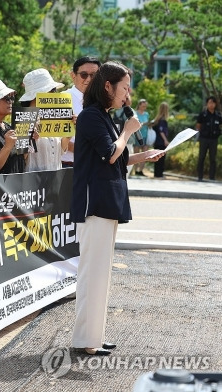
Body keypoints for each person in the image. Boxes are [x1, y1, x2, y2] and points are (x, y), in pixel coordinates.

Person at [71, 61, 164, 356]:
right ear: (108, 86)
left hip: (106, 201)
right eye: (124, 87)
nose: (128, 93)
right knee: (92, 273)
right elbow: (111, 153)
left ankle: (92, 336)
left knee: (100, 274)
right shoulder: (91, 116)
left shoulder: (103, 116)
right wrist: (127, 130)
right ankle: (87, 340)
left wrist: (144, 155)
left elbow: (119, 157)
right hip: (94, 203)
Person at [19, 68, 70, 172]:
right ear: (39, 94)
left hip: (55, 182)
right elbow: (19, 159)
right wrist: (30, 138)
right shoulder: (24, 118)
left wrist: (69, 132)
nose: (55, 94)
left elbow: (60, 151)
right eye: (52, 90)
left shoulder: (54, 115)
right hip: (34, 184)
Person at [61, 56, 102, 168]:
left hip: (94, 166)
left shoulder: (101, 102)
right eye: (84, 75)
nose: (89, 79)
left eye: (93, 75)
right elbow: (54, 139)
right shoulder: (62, 99)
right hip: (67, 166)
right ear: (73, 75)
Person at [196, 96, 221, 181]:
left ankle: (212, 177)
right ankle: (200, 176)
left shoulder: (218, 115)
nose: (211, 105)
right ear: (207, 104)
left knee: (213, 158)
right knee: (201, 157)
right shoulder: (203, 114)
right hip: (204, 138)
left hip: (213, 139)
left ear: (215, 104)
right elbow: (198, 125)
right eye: (210, 103)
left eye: (213, 103)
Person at [112, 95, 135, 177]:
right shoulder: (130, 111)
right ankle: (125, 177)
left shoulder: (117, 111)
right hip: (128, 138)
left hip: (119, 138)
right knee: (128, 159)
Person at [151, 102, 170, 178]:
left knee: (157, 158)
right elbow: (161, 131)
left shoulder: (156, 120)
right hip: (161, 142)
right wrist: (165, 140)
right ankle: (159, 174)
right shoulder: (162, 120)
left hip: (156, 141)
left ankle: (157, 173)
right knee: (161, 158)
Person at [132, 99, 151, 176]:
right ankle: (136, 170)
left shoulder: (146, 114)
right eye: (143, 106)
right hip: (137, 135)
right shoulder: (135, 113)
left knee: (145, 154)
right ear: (139, 105)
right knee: (136, 154)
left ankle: (141, 170)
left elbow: (148, 123)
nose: (144, 108)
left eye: (145, 106)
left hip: (145, 135)